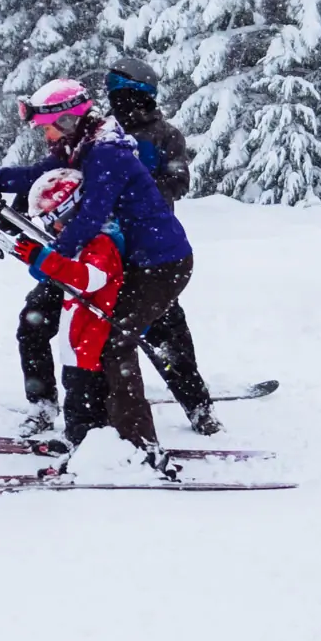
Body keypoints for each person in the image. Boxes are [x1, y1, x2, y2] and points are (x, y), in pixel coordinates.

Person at [0, 78, 194, 461]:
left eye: (47, 125)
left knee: (117, 344)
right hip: (116, 259)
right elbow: (35, 175)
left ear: (67, 120)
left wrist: (52, 262)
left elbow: (89, 219)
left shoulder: (106, 153)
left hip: (157, 264)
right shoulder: (80, 145)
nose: (43, 133)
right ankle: (94, 430)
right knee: (88, 340)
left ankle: (140, 447)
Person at [105, 58, 220, 435]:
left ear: (140, 93)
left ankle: (198, 405)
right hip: (106, 249)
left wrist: (134, 187)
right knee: (101, 328)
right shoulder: (103, 130)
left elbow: (178, 181)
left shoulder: (163, 134)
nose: (115, 100)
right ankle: (97, 401)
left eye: (121, 92)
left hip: (150, 251)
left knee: (166, 330)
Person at [7, 167, 124, 450]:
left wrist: (46, 260)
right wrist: (39, 259)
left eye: (55, 220)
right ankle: (76, 433)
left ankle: (88, 440)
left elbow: (88, 278)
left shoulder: (101, 241)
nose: (53, 229)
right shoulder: (81, 237)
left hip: (91, 336)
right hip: (77, 338)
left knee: (85, 388)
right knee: (76, 384)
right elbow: (63, 271)